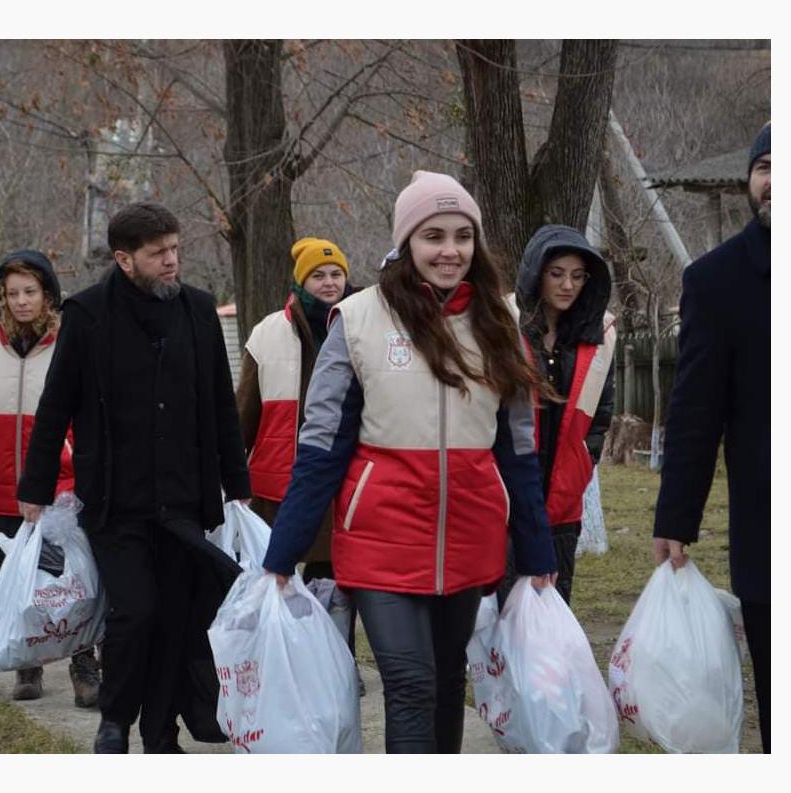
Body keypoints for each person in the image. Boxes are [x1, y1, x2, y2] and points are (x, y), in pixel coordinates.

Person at [262, 171, 558, 753]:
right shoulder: (358, 320)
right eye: (433, 236)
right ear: (406, 242)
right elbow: (321, 445)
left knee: (447, 683)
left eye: (462, 237)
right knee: (410, 683)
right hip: (381, 538)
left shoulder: (500, 321)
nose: (450, 251)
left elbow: (518, 450)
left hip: (470, 535)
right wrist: (285, 548)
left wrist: (536, 548)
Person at [16, 202, 251, 754]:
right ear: (124, 259)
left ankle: (161, 730)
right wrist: (35, 489)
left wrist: (237, 484)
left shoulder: (197, 311)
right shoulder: (88, 314)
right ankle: (116, 719)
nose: (171, 260)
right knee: (135, 611)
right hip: (115, 500)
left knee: (175, 618)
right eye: (158, 253)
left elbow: (221, 402)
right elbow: (56, 406)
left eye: (175, 249)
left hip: (184, 498)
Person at [653, 122, 770, 753]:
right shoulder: (716, 281)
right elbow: (695, 412)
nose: (777, 181)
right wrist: (676, 518)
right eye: (767, 167)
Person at [0, 249, 100, 706]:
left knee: (68, 583)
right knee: (11, 581)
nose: (21, 301)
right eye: (12, 294)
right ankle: (28, 662)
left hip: (58, 487)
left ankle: (83, 661)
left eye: (30, 291)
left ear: (47, 294)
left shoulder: (72, 341)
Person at [235, 236, 364, 691]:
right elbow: (245, 410)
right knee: (282, 576)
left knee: (335, 581)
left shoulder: (362, 323)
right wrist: (233, 473)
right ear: (300, 282)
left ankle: (339, 663)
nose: (329, 282)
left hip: (341, 477)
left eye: (336, 274)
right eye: (318, 275)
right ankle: (286, 661)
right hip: (279, 481)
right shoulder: (268, 332)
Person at [498, 225, 616, 606]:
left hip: (564, 499)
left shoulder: (600, 335)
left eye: (578, 276)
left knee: (552, 612)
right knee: (502, 616)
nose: (568, 285)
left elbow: (600, 415)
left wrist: (583, 461)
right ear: (537, 272)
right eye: (557, 273)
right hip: (507, 498)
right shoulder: (502, 324)